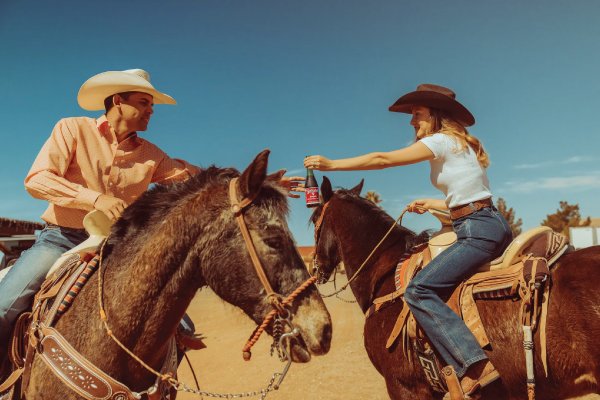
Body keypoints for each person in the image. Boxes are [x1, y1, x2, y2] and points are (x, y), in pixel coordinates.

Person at [0, 69, 304, 364]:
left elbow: (202, 179)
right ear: (118, 101)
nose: (151, 111)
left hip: (118, 247)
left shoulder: (152, 154)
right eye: (145, 103)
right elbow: (37, 179)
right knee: (4, 307)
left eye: (152, 105)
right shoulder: (72, 129)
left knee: (181, 328)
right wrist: (94, 198)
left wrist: (261, 184)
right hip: (61, 238)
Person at [304, 84, 512, 396]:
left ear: (436, 116)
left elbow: (382, 160)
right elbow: (475, 198)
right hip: (487, 222)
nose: (412, 122)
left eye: (417, 114)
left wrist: (332, 165)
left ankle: (474, 366)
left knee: (419, 289)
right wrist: (433, 202)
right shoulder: (460, 145)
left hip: (476, 230)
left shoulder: (440, 141)